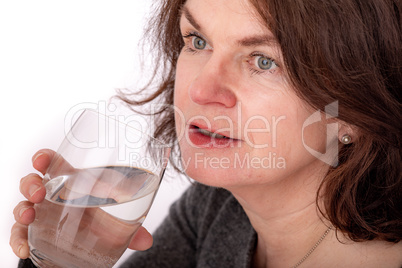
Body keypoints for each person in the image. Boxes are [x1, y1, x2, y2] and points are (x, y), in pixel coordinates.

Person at [11, 0, 402, 267]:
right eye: (198, 42)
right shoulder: (214, 211)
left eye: (264, 60)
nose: (200, 90)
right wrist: (61, 255)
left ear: (352, 110)